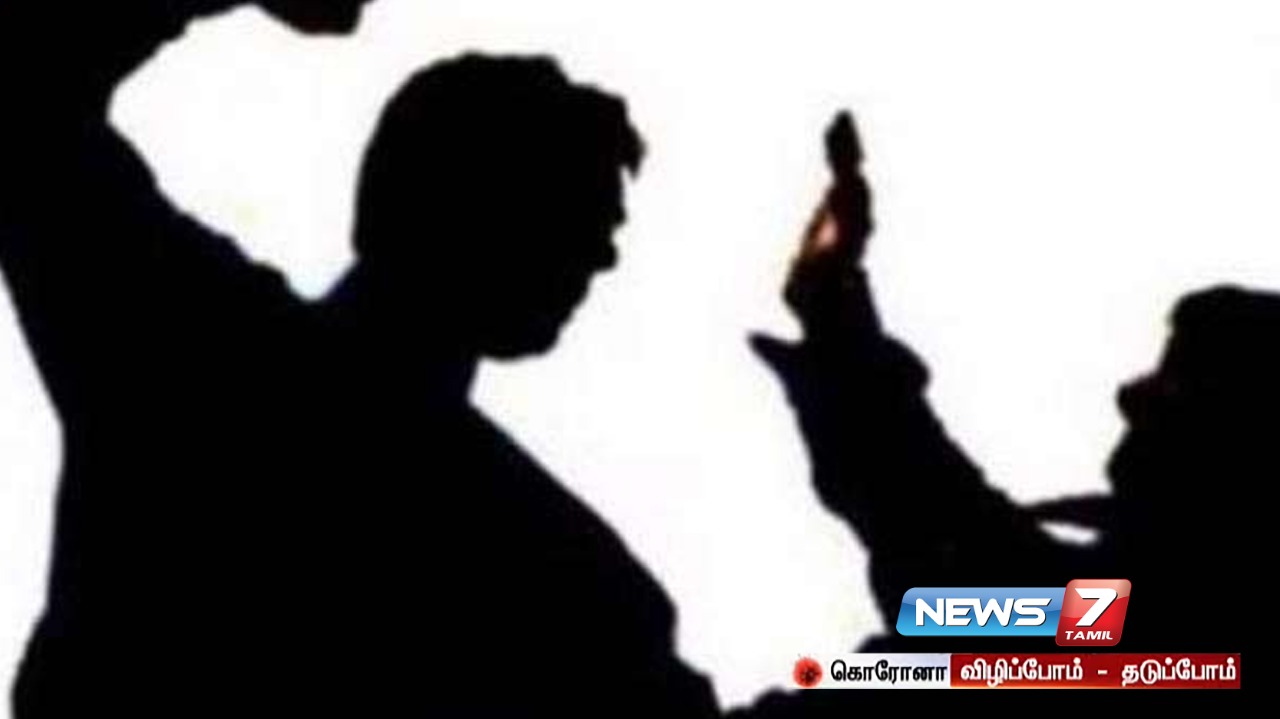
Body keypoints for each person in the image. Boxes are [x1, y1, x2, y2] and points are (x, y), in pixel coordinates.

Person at [753, 112, 1258, 664]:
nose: (1132, 395)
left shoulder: (1165, 626)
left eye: (1181, 380)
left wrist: (841, 332)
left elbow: (976, 594)